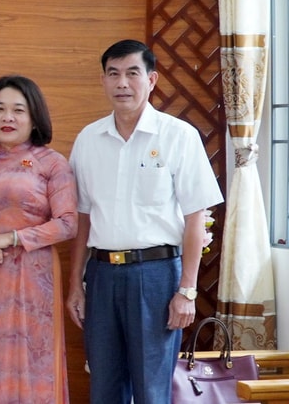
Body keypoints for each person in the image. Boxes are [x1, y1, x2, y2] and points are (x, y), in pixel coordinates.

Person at [65, 39, 222, 404]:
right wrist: (76, 285)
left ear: (151, 80)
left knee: (152, 388)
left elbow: (196, 218)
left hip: (156, 276)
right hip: (101, 276)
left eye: (132, 73)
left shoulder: (178, 136)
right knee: (103, 384)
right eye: (113, 74)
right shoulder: (88, 139)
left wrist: (187, 290)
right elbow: (83, 220)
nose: (122, 83)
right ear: (103, 81)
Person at [0, 75, 77, 403]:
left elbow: (68, 224)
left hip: (34, 273)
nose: (7, 117)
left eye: (18, 110)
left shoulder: (51, 162)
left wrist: (10, 238)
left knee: (33, 360)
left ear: (34, 117)